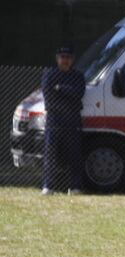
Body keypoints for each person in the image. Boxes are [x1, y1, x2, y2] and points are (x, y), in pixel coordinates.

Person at [41, 46, 86, 195]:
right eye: (62, 57)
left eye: (68, 57)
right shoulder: (49, 75)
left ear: (72, 59)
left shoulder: (78, 76)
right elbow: (49, 98)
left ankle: (75, 187)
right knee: (50, 153)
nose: (65, 60)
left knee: (74, 154)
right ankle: (49, 186)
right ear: (57, 58)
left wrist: (60, 88)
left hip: (72, 119)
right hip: (54, 119)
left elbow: (78, 94)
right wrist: (68, 93)